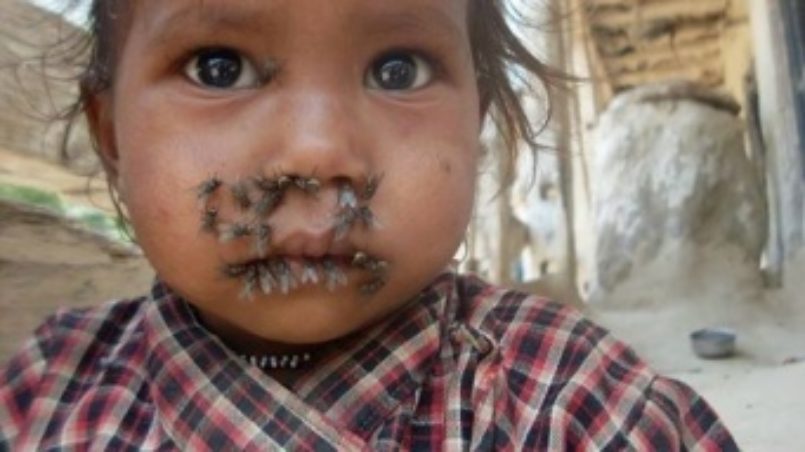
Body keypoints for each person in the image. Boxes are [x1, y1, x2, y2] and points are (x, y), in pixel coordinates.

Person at [0, 0, 738, 450]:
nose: (319, 153)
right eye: (218, 67)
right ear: (112, 136)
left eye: (398, 70)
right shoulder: (41, 395)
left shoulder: (581, 406)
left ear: (474, 125)